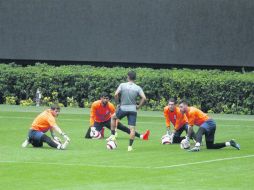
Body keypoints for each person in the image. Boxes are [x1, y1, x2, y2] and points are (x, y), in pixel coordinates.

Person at [84, 92, 150, 140]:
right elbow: (92, 116)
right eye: (104, 98)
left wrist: (115, 128)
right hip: (97, 122)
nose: (106, 100)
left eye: (107, 99)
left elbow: (116, 117)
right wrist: (92, 127)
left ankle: (141, 136)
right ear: (101, 98)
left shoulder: (110, 106)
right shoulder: (95, 104)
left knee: (123, 127)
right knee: (88, 136)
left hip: (108, 120)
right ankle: (101, 130)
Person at [110, 71, 147, 151]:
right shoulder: (137, 87)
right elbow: (144, 98)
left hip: (123, 108)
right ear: (135, 78)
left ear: (128, 77)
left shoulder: (122, 85)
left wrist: (118, 103)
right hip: (133, 110)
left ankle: (113, 135)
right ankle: (130, 147)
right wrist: (139, 106)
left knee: (113, 117)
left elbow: (116, 94)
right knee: (132, 129)